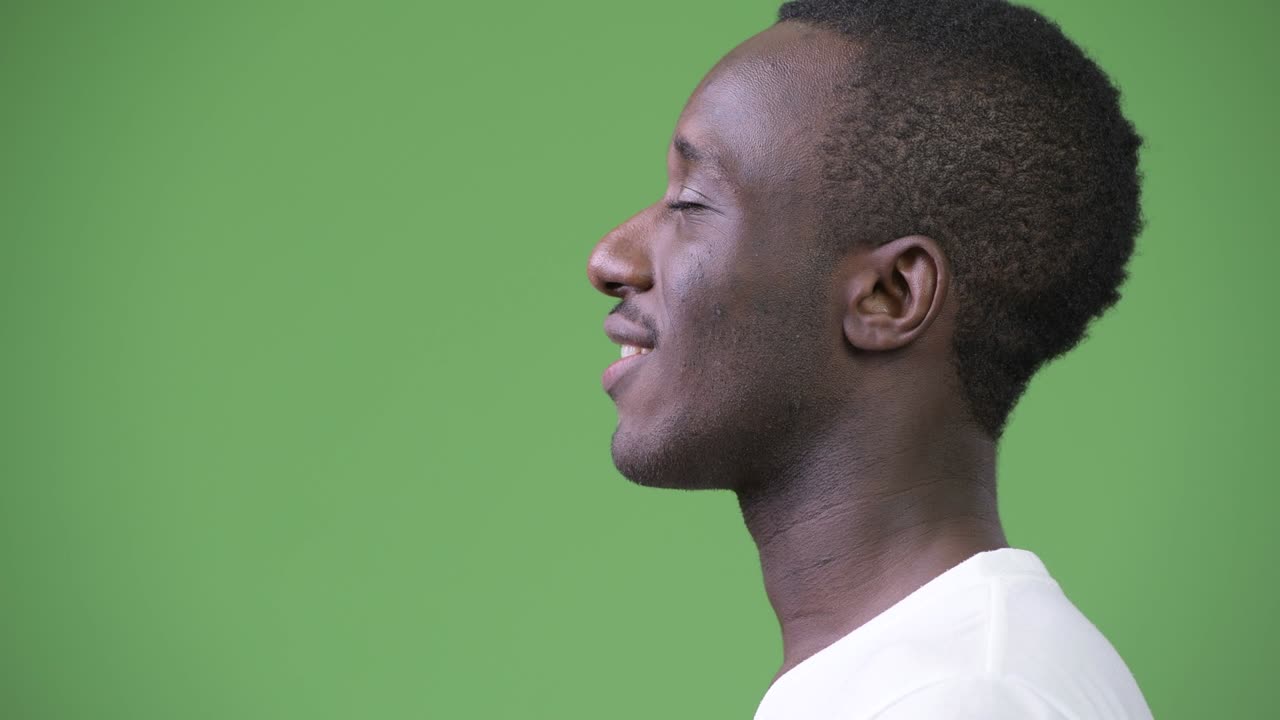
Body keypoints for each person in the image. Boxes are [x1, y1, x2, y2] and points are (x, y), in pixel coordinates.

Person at [586, 0, 1151, 717]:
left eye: (691, 202)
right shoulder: (928, 679)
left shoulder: (961, 699)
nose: (610, 259)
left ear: (889, 296)